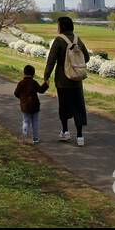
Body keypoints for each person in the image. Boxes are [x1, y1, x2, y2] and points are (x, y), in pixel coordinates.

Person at [42, 15, 90, 145]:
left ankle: (65, 131)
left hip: (62, 80)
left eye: (58, 25)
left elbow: (51, 61)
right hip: (76, 79)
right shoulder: (77, 39)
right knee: (78, 107)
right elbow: (86, 57)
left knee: (64, 106)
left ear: (61, 26)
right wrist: (75, 63)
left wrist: (46, 77)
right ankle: (80, 136)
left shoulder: (58, 40)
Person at [13, 64, 44, 144]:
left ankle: (25, 137)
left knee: (26, 121)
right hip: (35, 106)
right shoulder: (34, 82)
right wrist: (46, 84)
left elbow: (16, 93)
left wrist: (22, 99)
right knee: (35, 122)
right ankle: (35, 139)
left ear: (24, 73)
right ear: (33, 74)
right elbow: (41, 90)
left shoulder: (21, 83)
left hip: (25, 106)